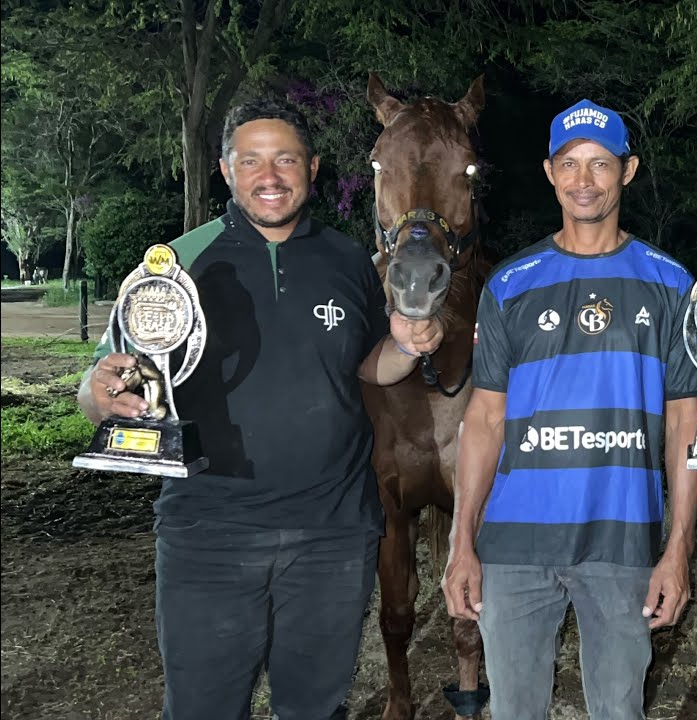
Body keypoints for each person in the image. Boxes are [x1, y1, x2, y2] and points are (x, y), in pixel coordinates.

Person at [76, 98, 443, 720]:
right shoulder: (178, 260)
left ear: (313, 167)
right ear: (225, 169)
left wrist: (405, 347)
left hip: (332, 535)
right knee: (202, 709)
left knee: (315, 709)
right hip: (208, 535)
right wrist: (97, 394)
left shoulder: (349, 260)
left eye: (286, 159)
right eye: (251, 161)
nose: (269, 176)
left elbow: (362, 364)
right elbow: (118, 374)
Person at [442, 99, 697, 720]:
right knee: (513, 710)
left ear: (628, 170)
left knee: (619, 709)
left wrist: (679, 548)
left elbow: (684, 422)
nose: (583, 180)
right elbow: (483, 420)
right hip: (512, 546)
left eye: (600, 164)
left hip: (620, 542)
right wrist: (463, 542)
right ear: (549, 172)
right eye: (569, 164)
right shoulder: (510, 284)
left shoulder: (672, 284)